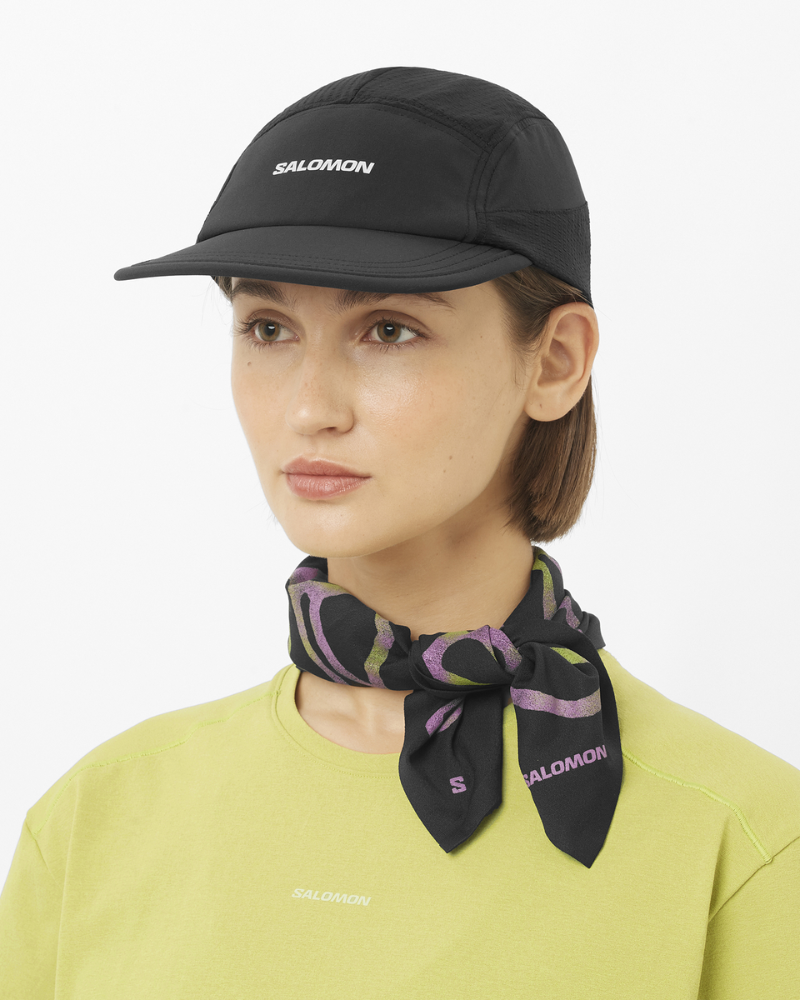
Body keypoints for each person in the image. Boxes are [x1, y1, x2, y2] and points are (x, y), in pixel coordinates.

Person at [1, 66, 798, 999]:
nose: (310, 407)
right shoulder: (94, 821)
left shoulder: (743, 843)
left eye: (388, 331)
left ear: (555, 362)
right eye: (267, 328)